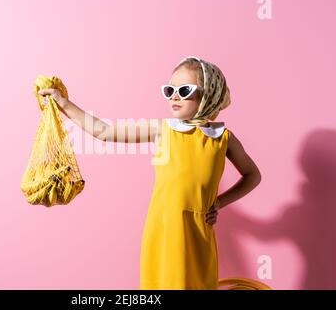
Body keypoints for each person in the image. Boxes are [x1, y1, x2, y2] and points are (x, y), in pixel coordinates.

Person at [37, 55, 262, 290]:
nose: (174, 96)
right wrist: (63, 103)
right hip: (164, 226)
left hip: (199, 230)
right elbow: (104, 131)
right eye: (169, 90)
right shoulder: (162, 130)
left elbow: (252, 175)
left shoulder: (223, 138)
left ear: (209, 95)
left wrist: (219, 202)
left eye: (184, 90)